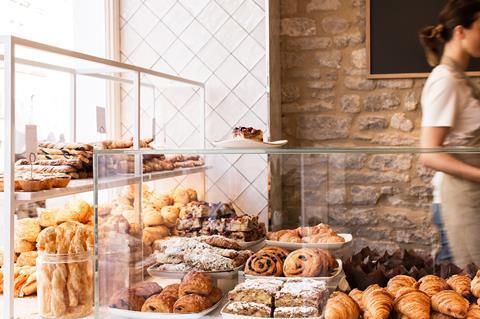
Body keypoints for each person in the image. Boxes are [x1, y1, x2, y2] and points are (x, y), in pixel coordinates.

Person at [419, 0, 480, 267]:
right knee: (467, 290)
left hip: (470, 199)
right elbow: (429, 154)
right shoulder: (445, 81)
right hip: (459, 204)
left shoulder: (458, 77)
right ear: (460, 32)